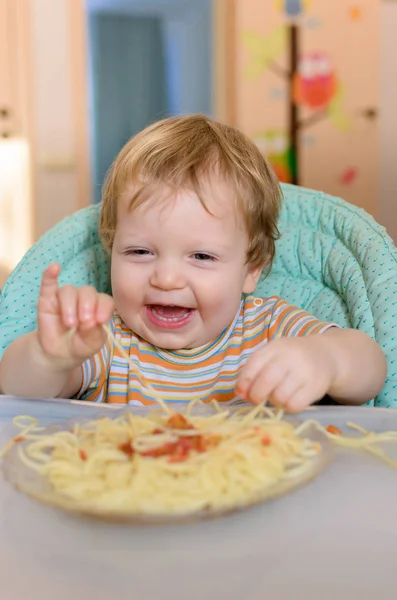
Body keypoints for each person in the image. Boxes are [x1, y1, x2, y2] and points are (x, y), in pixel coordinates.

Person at [0, 115, 387, 412]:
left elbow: (371, 368)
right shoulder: (106, 341)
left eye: (201, 256)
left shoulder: (270, 328)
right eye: (139, 252)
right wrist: (49, 356)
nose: (166, 278)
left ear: (252, 268)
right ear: (111, 248)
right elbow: (19, 389)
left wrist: (324, 359)